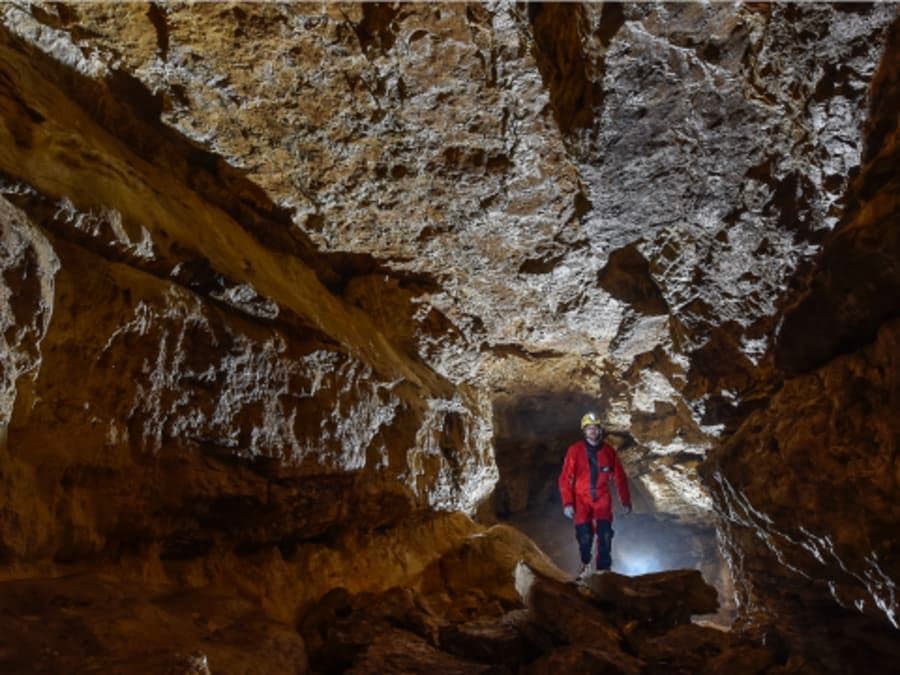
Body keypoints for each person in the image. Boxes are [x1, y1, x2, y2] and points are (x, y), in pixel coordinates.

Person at [558, 412, 632, 578]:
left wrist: (625, 500)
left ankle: (603, 572)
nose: (592, 431)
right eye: (589, 428)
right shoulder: (575, 450)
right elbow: (565, 478)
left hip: (602, 499)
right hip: (581, 499)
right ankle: (585, 564)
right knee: (584, 537)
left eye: (595, 428)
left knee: (605, 535)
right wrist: (568, 503)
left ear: (600, 430)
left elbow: (619, 477)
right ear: (584, 431)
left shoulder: (608, 452)